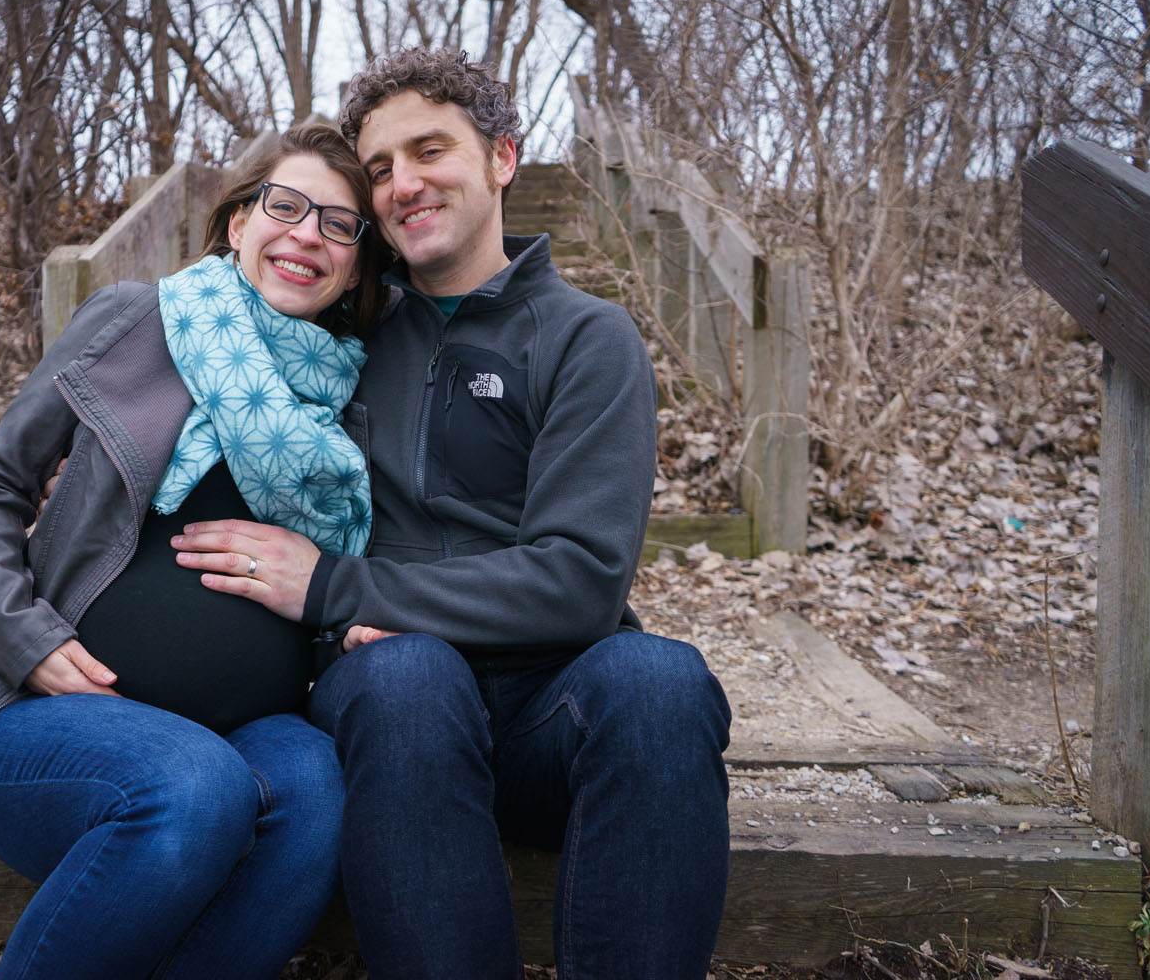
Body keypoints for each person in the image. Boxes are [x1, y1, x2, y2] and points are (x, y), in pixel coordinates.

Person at [172, 48, 732, 979]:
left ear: (503, 157)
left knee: (661, 680)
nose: (403, 184)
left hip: (549, 713)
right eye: (380, 168)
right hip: (388, 712)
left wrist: (342, 587)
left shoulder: (587, 339)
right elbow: (206, 345)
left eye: (430, 151)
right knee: (409, 675)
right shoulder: (335, 335)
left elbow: (581, 581)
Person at [0, 123, 388, 980]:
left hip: (254, 729)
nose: (307, 235)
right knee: (196, 785)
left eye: (339, 224)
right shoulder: (138, 319)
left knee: (320, 793)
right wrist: (22, 635)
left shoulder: (355, 391)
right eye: (286, 207)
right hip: (36, 714)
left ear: (358, 266)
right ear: (239, 222)